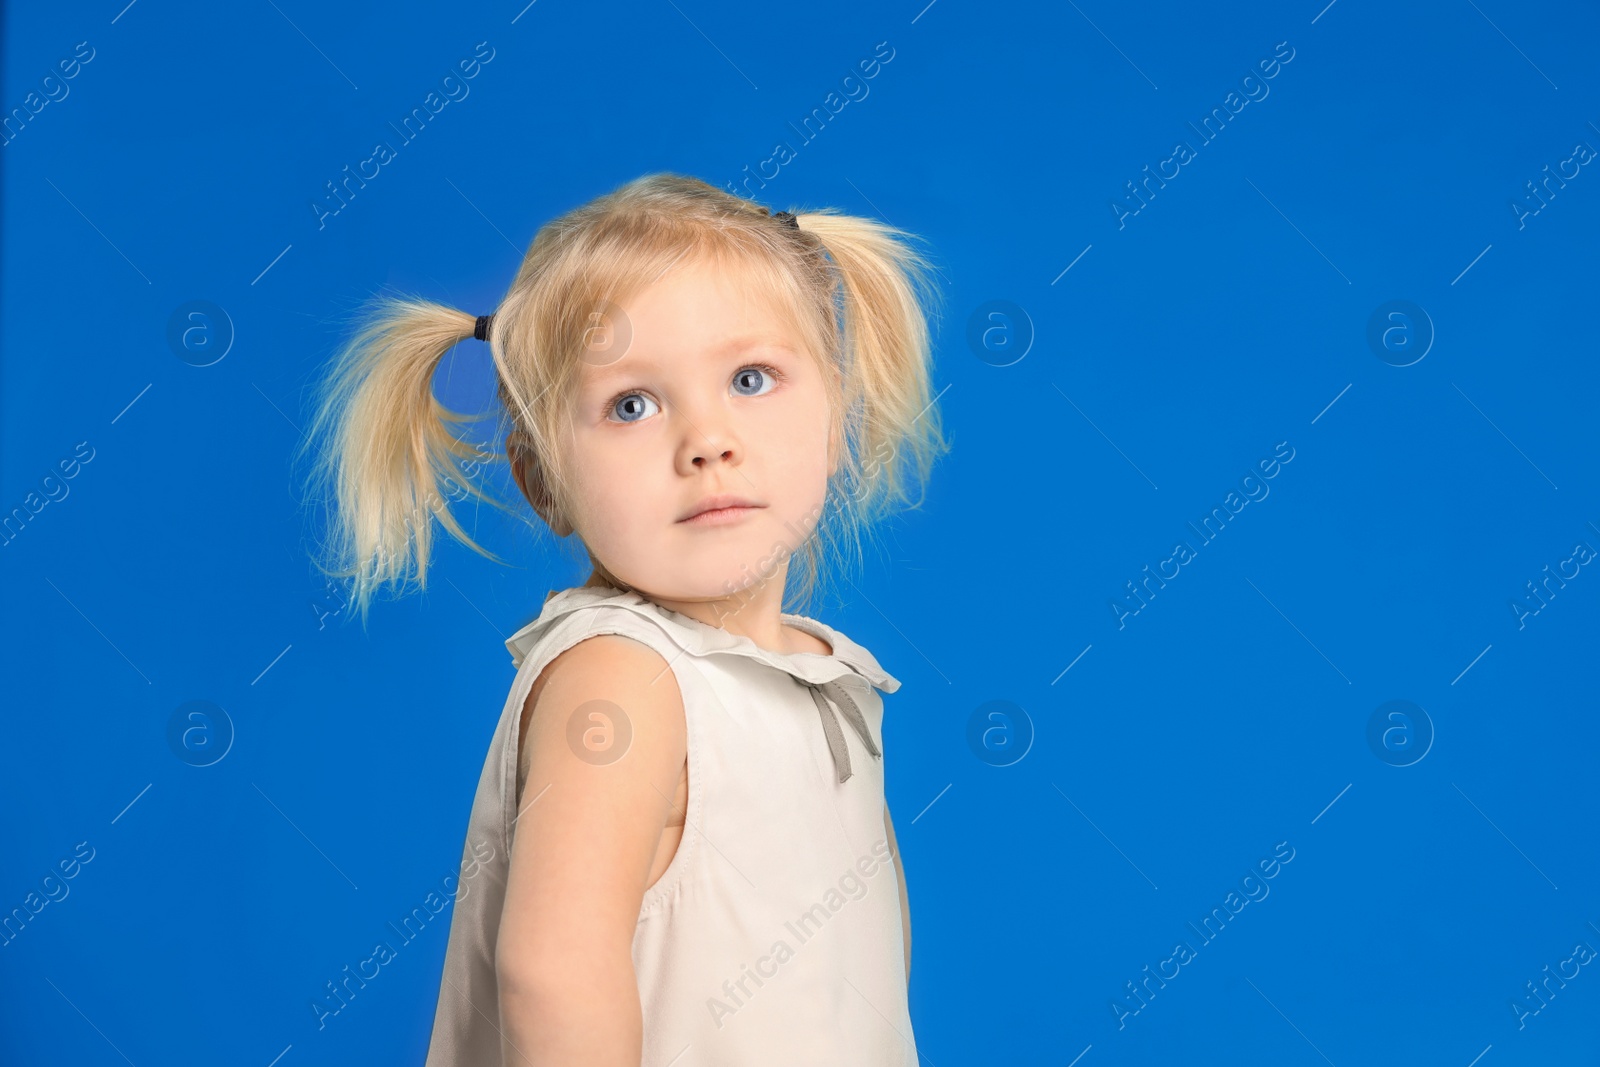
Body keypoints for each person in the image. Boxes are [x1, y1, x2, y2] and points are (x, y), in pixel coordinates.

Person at [297, 172, 950, 1065]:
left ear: (835, 413)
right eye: (631, 405)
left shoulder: (821, 674)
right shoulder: (624, 676)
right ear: (542, 480)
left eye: (751, 378)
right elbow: (552, 972)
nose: (706, 440)